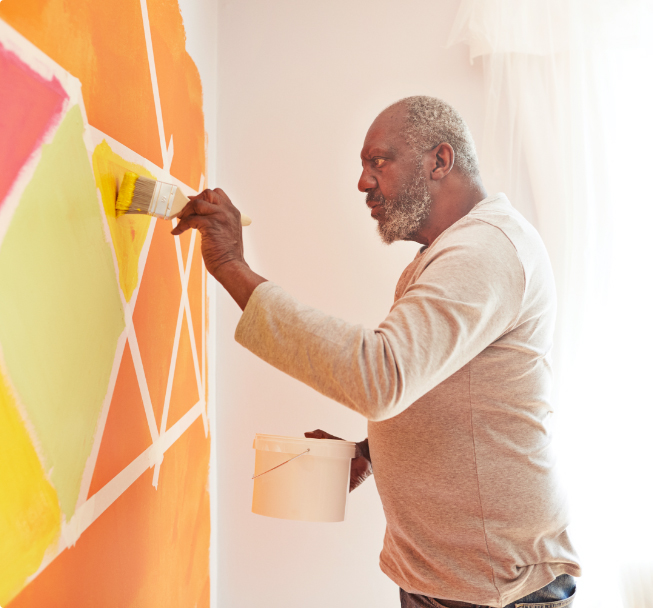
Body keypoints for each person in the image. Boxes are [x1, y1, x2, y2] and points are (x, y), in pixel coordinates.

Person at [171, 96, 581, 608]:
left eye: (378, 161)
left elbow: (381, 376)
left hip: (497, 589)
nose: (364, 182)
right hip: (449, 578)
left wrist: (231, 265)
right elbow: (437, 382)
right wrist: (371, 451)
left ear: (440, 160)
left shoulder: (484, 251)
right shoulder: (451, 251)